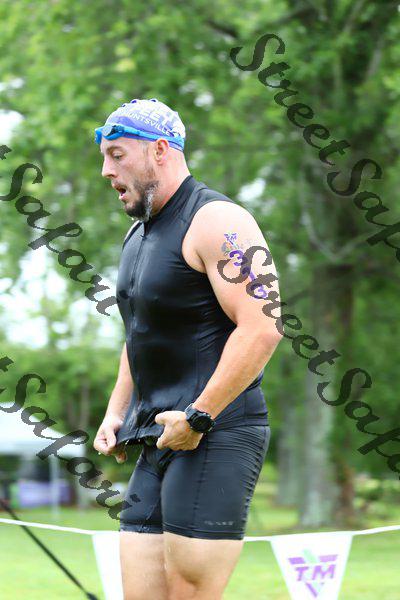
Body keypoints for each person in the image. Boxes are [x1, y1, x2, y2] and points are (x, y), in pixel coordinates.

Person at [93, 98, 283, 600]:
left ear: (160, 150)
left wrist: (198, 417)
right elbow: (140, 333)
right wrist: (117, 411)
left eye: (117, 155)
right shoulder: (138, 233)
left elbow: (263, 326)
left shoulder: (220, 220)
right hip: (157, 438)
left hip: (216, 432)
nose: (106, 170)